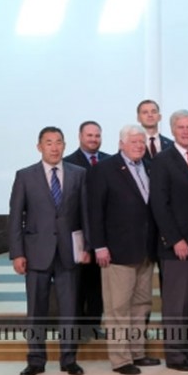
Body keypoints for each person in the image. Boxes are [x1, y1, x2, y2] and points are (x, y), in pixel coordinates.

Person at [9, 126, 89, 375]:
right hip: (36, 253)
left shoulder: (78, 174)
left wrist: (87, 247)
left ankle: (69, 359)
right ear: (39, 147)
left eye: (58, 142)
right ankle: (35, 360)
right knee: (36, 310)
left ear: (65, 145)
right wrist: (17, 253)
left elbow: (85, 214)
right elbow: (15, 218)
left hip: (68, 253)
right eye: (49, 143)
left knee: (70, 309)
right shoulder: (25, 176)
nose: (54, 147)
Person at [88, 125, 160, 375]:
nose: (139, 146)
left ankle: (137, 353)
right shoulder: (104, 170)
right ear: (121, 144)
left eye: (142, 142)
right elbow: (94, 211)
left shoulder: (149, 166)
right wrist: (99, 246)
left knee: (142, 305)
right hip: (117, 252)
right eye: (133, 142)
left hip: (145, 250)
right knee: (118, 307)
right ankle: (121, 359)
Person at [149, 110, 188, 371]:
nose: (186, 131)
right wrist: (175, 239)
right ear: (172, 130)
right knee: (176, 305)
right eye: (181, 127)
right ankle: (175, 356)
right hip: (177, 246)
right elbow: (159, 204)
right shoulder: (162, 160)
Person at [63, 120, 109, 337]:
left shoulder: (110, 161)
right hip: (78, 233)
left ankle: (93, 326)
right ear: (80, 137)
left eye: (97, 135)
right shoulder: (67, 163)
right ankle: (76, 330)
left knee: (98, 285)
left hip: (104, 234)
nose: (93, 139)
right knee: (78, 284)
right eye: (89, 135)